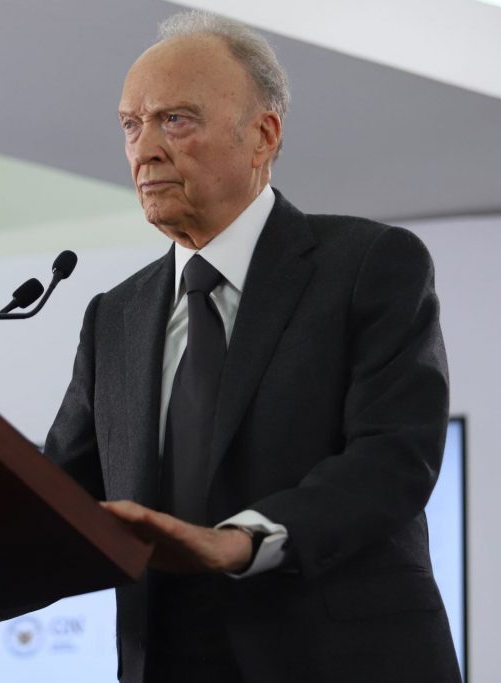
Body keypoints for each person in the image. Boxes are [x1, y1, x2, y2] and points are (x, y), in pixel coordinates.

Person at [44, 10, 462, 683]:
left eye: (175, 120)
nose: (145, 149)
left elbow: (394, 458)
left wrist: (240, 542)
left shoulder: (369, 264)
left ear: (263, 136)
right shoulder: (113, 318)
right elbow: (53, 505)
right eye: (131, 125)